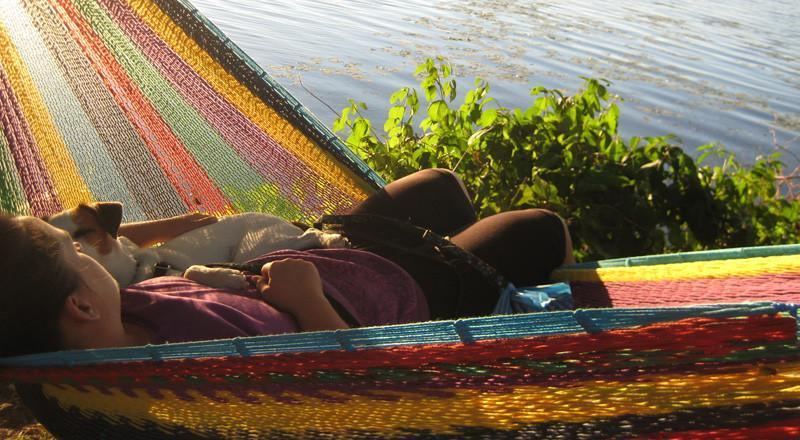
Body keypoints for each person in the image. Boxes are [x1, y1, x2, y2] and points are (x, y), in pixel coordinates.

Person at [0, 169, 572, 358]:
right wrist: (309, 300)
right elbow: (359, 384)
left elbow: (106, 239)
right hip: (393, 295)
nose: (84, 246)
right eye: (74, 251)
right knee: (541, 229)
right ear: (80, 305)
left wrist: (175, 230)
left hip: (328, 251)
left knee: (439, 186)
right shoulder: (197, 362)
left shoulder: (116, 314)